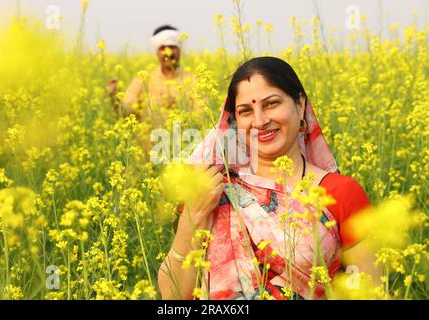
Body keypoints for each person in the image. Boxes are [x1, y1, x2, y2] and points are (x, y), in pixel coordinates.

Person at [157, 57, 381, 300]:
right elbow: (173, 298)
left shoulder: (341, 193)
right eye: (246, 111)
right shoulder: (213, 190)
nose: (260, 121)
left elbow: (371, 292)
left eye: (272, 104)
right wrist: (195, 215)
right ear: (234, 122)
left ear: (299, 103)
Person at [107, 25, 196, 126]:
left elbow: (201, 118)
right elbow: (126, 113)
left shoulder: (193, 81)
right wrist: (114, 98)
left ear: (180, 50)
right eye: (163, 48)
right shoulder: (143, 79)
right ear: (157, 52)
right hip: (149, 140)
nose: (168, 53)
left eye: (172, 47)